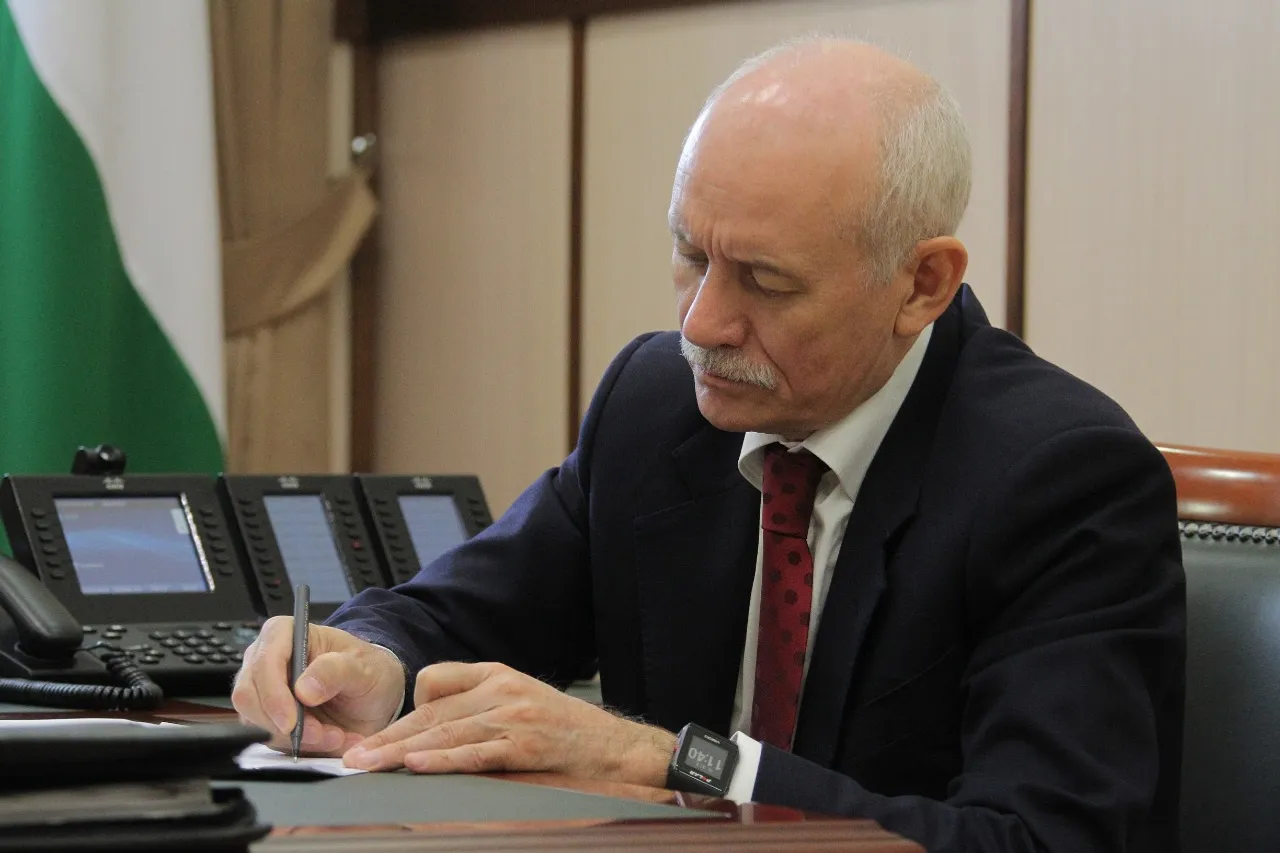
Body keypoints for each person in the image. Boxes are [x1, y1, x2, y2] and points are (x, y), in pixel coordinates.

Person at [232, 38, 1185, 852]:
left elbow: (1042, 838)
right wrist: (371, 660)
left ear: (922, 284)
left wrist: (678, 763)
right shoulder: (657, 407)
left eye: (765, 281)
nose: (701, 324)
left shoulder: (1061, 479)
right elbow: (463, 615)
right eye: (691, 254)